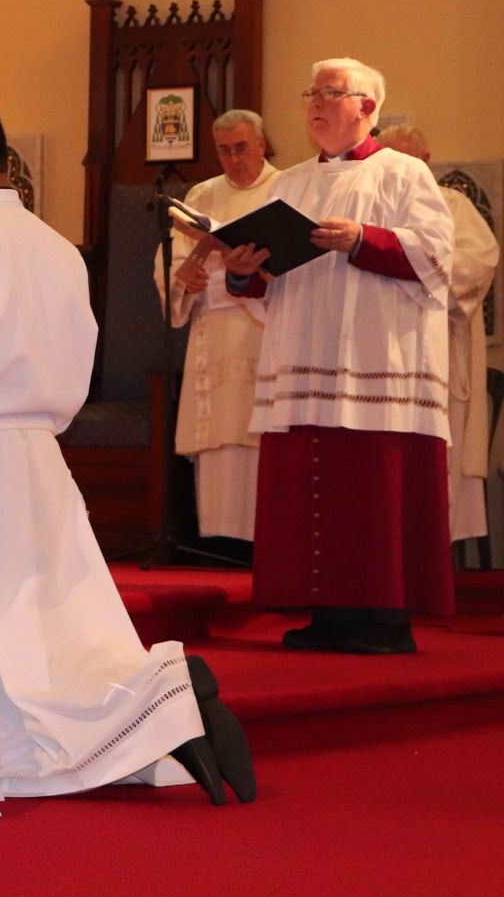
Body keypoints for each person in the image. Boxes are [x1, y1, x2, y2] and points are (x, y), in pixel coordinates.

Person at [0, 94, 254, 805]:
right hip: (40, 457)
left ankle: (160, 702)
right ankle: (163, 703)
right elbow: (80, 358)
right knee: (52, 627)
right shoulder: (60, 250)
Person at [224, 59, 456, 654]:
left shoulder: (403, 173)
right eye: (312, 94)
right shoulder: (290, 182)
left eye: (332, 93)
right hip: (304, 350)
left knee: (368, 492)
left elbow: (436, 257)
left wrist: (361, 239)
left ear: (368, 107)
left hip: (375, 358)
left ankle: (382, 623)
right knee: (312, 487)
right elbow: (268, 283)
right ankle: (328, 616)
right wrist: (245, 272)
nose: (317, 104)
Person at [153, 109, 279, 541]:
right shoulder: (202, 196)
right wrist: (182, 279)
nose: (233, 158)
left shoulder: (284, 190)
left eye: (241, 148)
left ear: (261, 144)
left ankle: (267, 544)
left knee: (262, 438)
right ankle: (220, 542)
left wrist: (241, 272)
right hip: (213, 333)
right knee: (220, 440)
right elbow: (172, 260)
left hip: (265, 334)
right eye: (224, 151)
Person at [376, 125, 500, 544]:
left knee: (435, 457)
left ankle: (431, 559)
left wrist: (415, 277)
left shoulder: (452, 205)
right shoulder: (369, 211)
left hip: (439, 352)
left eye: (408, 160)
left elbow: (479, 262)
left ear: (426, 162)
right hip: (380, 355)